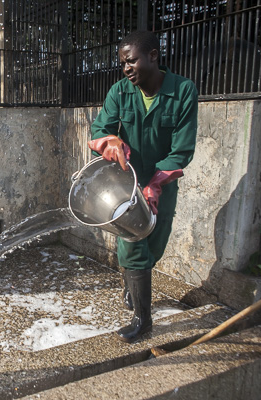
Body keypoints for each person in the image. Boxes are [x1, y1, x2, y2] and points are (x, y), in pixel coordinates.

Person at [88, 30, 198, 343]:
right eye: (122, 63)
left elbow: (182, 149)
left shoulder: (183, 91)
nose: (126, 68)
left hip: (164, 183)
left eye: (131, 60)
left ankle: (132, 284)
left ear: (152, 55)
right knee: (133, 245)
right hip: (129, 186)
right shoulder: (120, 92)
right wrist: (111, 143)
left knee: (155, 245)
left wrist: (157, 184)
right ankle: (142, 320)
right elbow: (100, 129)